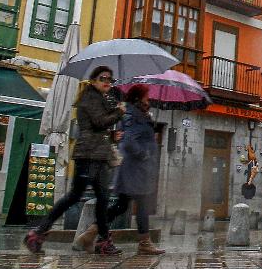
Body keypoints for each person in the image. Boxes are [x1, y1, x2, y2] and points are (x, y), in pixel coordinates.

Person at [24, 66, 125, 255]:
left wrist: (111, 135)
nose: (107, 82)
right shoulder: (89, 98)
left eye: (110, 80)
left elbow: (99, 127)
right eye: (103, 78)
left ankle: (103, 241)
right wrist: (118, 113)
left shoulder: (100, 99)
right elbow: (98, 122)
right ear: (94, 80)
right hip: (87, 155)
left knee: (103, 200)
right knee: (75, 196)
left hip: (99, 155)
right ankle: (38, 232)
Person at [104, 84, 164, 255]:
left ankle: (91, 232)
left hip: (135, 169)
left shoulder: (139, 114)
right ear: (138, 98)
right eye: (146, 96)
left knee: (122, 205)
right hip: (135, 169)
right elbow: (129, 141)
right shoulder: (133, 115)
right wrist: (144, 153)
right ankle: (144, 242)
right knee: (142, 205)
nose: (149, 99)